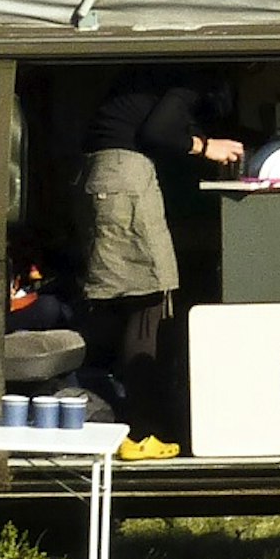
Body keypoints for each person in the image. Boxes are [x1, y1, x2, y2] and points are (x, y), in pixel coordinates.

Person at [78, 70, 242, 441]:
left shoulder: (154, 81)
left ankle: (140, 420)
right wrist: (205, 145)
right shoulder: (189, 80)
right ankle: (145, 431)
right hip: (124, 180)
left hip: (114, 178)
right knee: (147, 298)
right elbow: (158, 132)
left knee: (140, 300)